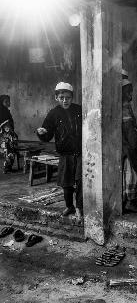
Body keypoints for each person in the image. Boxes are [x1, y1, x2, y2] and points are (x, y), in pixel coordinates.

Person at [36, 82, 82, 219]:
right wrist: (42, 132)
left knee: (80, 181)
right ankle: (69, 206)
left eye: (67, 97)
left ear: (72, 97)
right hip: (65, 154)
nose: (64, 100)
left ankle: (80, 207)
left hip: (81, 153)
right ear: (56, 97)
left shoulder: (79, 110)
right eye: (61, 97)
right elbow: (47, 135)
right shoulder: (53, 113)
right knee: (66, 183)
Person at [122, 79, 137, 213]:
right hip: (127, 148)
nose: (131, 94)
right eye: (128, 92)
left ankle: (128, 201)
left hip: (126, 146)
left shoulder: (126, 107)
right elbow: (129, 131)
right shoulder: (124, 109)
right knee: (132, 174)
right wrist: (134, 146)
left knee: (129, 175)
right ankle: (129, 202)